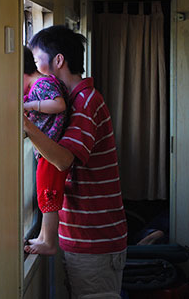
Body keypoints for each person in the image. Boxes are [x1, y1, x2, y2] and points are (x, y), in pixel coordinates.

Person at [23, 25, 128, 298]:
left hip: (95, 240)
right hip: (84, 235)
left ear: (58, 61)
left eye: (37, 62)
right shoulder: (73, 100)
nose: (35, 70)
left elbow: (62, 160)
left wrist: (26, 125)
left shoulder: (85, 102)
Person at [22, 46, 69, 255]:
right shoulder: (40, 85)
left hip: (51, 152)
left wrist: (32, 106)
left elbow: (59, 105)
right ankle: (42, 236)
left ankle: (49, 242)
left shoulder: (42, 83)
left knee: (49, 197)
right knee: (44, 195)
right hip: (46, 152)